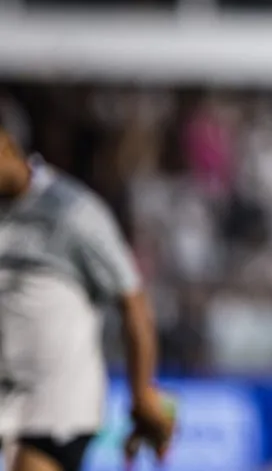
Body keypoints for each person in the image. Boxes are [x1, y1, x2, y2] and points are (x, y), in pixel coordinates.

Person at [0, 120, 174, 471]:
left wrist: (142, 393)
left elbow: (133, 300)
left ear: (6, 147)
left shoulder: (72, 211)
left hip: (57, 400)